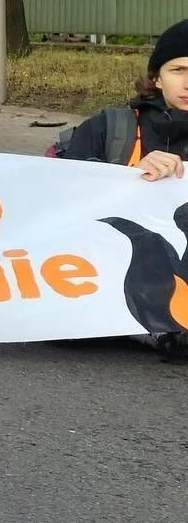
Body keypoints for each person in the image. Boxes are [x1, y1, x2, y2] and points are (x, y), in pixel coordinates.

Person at [58, 19, 188, 359]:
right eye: (179, 69)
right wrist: (128, 175)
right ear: (157, 78)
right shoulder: (113, 126)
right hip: (108, 272)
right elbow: (60, 190)